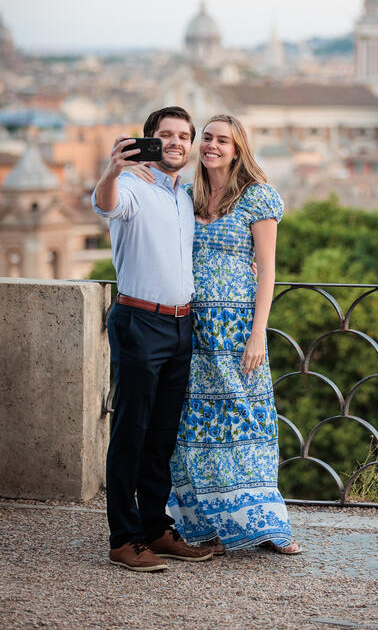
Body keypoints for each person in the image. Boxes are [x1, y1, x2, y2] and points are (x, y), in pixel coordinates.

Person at [136, 114, 301, 554]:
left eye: (221, 140)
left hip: (237, 332)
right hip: (190, 330)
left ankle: (265, 523)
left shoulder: (257, 198)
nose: (210, 145)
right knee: (195, 429)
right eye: (206, 138)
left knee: (246, 422)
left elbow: (267, 271)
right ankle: (202, 523)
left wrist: (258, 334)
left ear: (237, 149)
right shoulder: (188, 196)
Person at [91, 106, 214, 572]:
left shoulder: (182, 196)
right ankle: (124, 539)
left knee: (162, 435)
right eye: (167, 135)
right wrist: (113, 169)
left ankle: (155, 528)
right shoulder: (131, 187)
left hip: (182, 325)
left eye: (185, 136)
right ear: (150, 141)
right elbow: (105, 204)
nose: (178, 143)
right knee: (131, 432)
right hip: (141, 322)